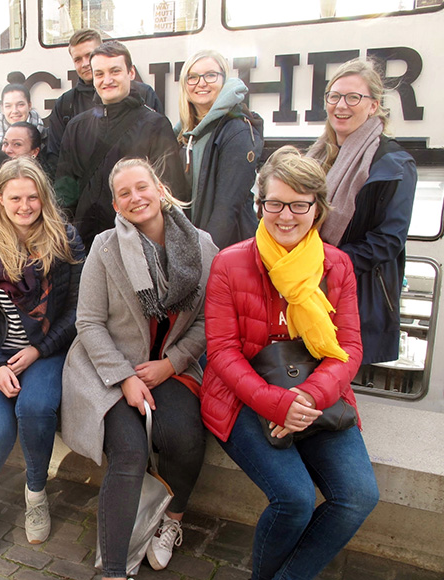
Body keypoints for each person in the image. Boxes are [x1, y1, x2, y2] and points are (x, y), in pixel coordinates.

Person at [202, 147, 379, 580]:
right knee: (294, 499)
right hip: (246, 396)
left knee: (358, 495)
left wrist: (308, 397)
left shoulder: (336, 265)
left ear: (317, 208)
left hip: (316, 393)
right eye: (275, 203)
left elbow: (350, 348)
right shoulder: (230, 263)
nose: (286, 215)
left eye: (299, 204)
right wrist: (276, 404)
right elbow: (222, 351)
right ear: (259, 204)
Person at [62, 158, 216, 577]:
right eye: (125, 193)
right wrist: (126, 377)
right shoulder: (105, 246)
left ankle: (172, 521)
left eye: (142, 187)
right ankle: (114, 571)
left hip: (169, 363)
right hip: (108, 366)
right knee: (128, 453)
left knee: (185, 441)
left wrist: (172, 364)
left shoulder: (202, 246)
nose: (136, 198)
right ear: (115, 202)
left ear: (160, 189)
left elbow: (207, 320)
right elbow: (89, 322)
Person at [0, 157, 84, 550]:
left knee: (36, 409)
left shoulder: (66, 239)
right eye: (15, 198)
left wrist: (37, 349)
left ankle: (36, 496)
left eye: (33, 197)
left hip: (44, 350)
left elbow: (78, 311)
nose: (25, 206)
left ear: (43, 197)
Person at [307, 58, 417, 364]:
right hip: (305, 288)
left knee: (334, 387)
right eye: (334, 96)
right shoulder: (317, 155)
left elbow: (389, 240)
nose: (341, 105)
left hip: (354, 293)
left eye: (353, 97)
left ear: (373, 105)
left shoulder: (394, 163)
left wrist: (325, 265)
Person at [56, 41, 187, 249]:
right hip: (86, 247)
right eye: (99, 74)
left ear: (131, 72)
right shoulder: (76, 127)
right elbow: (64, 194)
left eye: (115, 71)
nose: (106, 80)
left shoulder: (155, 125)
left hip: (140, 247)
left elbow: (171, 194)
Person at [175, 50, 263, 249]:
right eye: (193, 77)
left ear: (224, 80)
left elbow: (227, 207)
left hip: (227, 249)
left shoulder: (236, 130)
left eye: (210, 75)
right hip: (193, 240)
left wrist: (205, 257)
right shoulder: (183, 133)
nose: (201, 83)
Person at [47, 29, 163, 170]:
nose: (85, 63)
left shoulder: (144, 94)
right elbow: (57, 161)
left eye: (89, 56)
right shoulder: (65, 104)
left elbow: (161, 155)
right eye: (78, 59)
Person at [0, 122, 49, 219]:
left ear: (34, 152)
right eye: (5, 143)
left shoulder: (44, 177)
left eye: (17, 144)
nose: (8, 150)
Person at [0, 84, 46, 161]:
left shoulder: (45, 135)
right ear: (2, 108)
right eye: (8, 106)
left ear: (29, 105)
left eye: (20, 105)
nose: (15, 111)